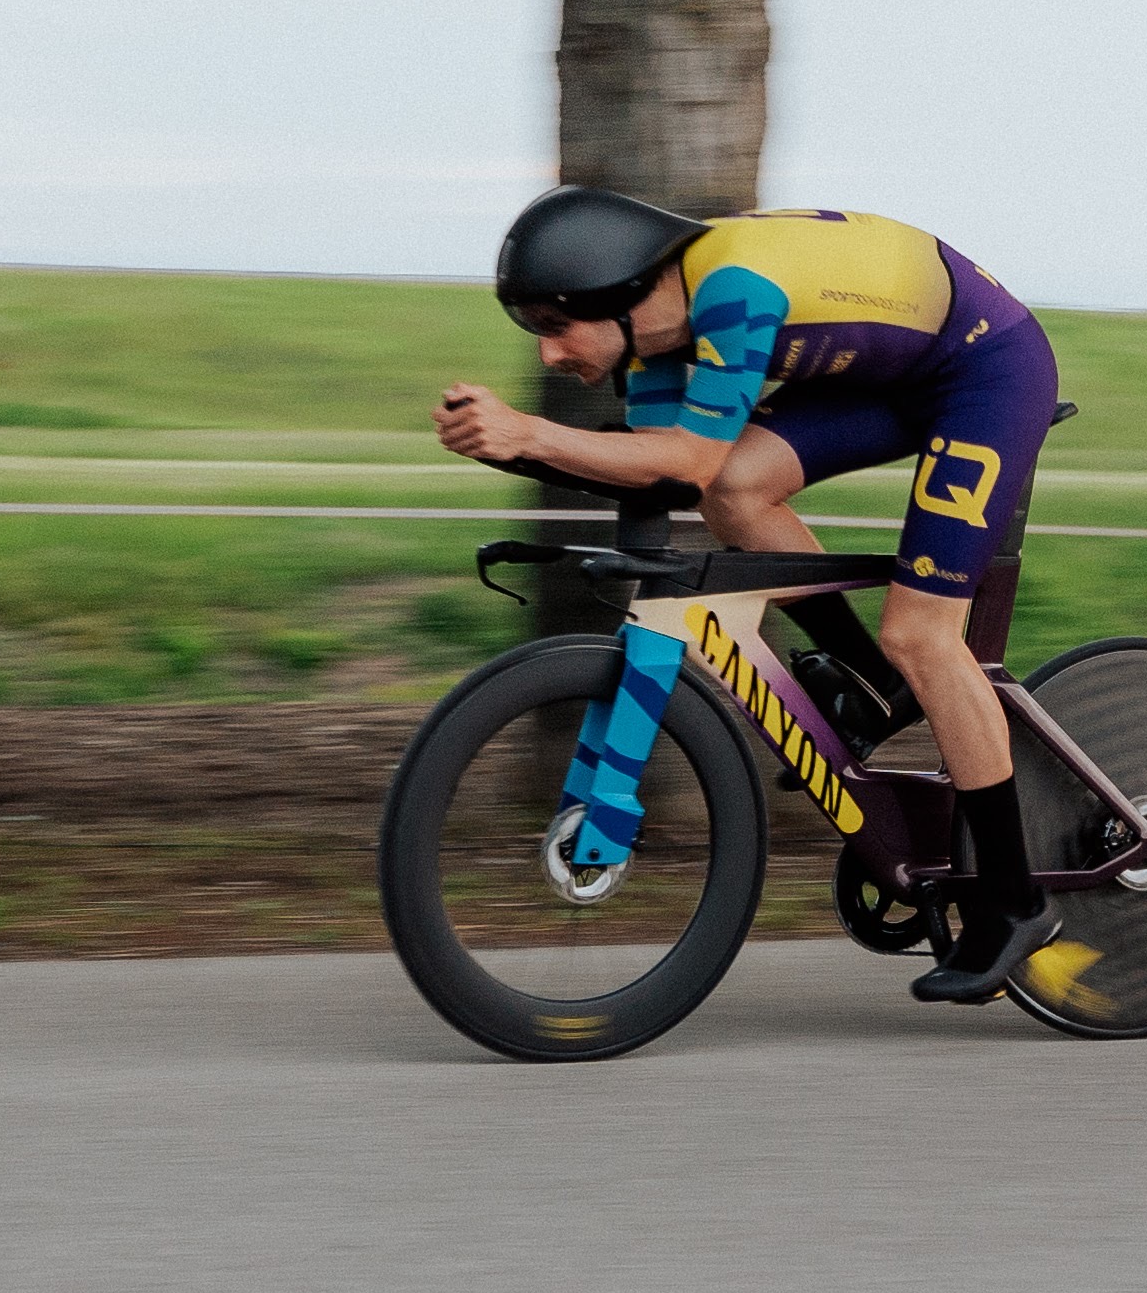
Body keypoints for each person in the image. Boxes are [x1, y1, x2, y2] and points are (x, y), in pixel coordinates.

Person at [435, 186, 1064, 1006]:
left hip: (984, 367)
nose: (549, 354)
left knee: (922, 634)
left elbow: (682, 460)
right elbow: (662, 475)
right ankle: (875, 685)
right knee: (735, 491)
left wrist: (527, 434)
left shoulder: (734, 295)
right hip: (893, 373)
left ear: (620, 297)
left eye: (556, 326)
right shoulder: (654, 340)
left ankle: (1013, 903)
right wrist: (510, 449)